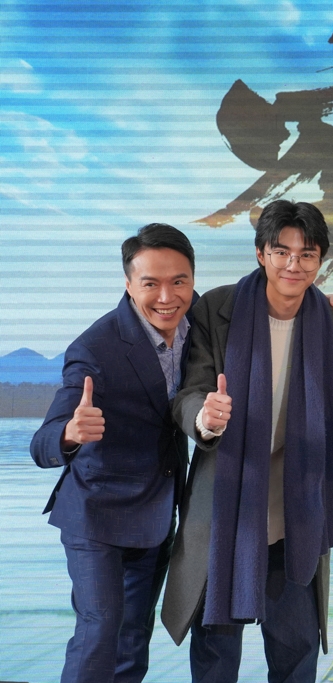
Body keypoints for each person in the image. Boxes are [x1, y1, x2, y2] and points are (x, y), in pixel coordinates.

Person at [160, 199, 333, 683]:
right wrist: (206, 418)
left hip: (296, 515)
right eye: (281, 252)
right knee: (215, 655)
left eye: (307, 254)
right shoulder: (217, 309)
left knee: (296, 652)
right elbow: (189, 392)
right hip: (226, 508)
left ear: (321, 260)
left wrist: (310, 446)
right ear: (260, 253)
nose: (294, 264)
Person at [30, 224, 198, 683]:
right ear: (128, 284)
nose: (167, 296)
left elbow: (253, 306)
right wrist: (69, 433)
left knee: (133, 640)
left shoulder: (199, 319)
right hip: (96, 514)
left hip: (157, 514)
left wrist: (324, 306)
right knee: (99, 629)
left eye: (179, 281)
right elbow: (41, 444)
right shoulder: (95, 347)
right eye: (150, 283)